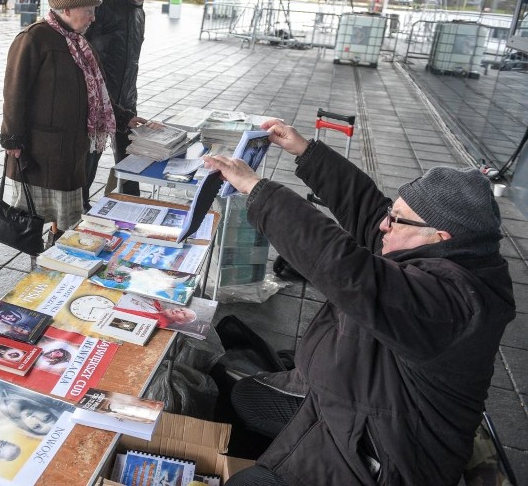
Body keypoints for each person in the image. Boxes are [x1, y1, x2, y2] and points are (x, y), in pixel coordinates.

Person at [202, 119, 515, 486]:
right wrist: (307, 151)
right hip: (348, 399)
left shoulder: (451, 305)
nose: (385, 225)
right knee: (244, 397)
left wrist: (258, 190)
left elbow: (346, 268)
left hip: (379, 453)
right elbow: (370, 212)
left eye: (396, 220)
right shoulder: (436, 251)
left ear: (439, 236)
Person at [0, 0, 116, 237]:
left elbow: (99, 92)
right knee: (32, 217)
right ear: (67, 10)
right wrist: (12, 140)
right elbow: (14, 93)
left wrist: (126, 116)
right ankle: (37, 263)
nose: (92, 18)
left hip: (71, 151)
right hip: (40, 152)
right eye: (88, 11)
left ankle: (58, 254)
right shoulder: (34, 38)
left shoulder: (79, 42)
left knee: (65, 218)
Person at [84, 0, 166, 207]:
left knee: (131, 165)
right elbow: (81, 55)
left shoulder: (138, 11)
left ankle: (132, 211)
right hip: (99, 103)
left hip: (127, 100)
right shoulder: (100, 5)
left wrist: (128, 100)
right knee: (87, 165)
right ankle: (74, 216)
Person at [0, 385, 66, 436]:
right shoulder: (33, 390)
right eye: (46, 418)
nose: (35, 419)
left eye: (36, 426)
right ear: (47, 410)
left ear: (28, 428)